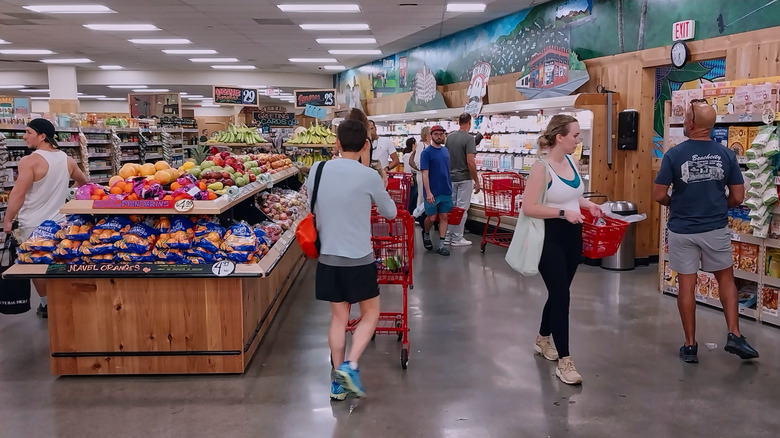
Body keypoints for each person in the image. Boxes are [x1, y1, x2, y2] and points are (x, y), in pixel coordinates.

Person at [653, 100, 759, 364]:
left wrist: (675, 203)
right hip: (715, 228)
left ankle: (690, 346)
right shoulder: (726, 155)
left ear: (690, 124)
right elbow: (737, 196)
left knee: (687, 285)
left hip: (682, 229)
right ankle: (734, 334)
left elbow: (658, 195)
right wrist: (717, 205)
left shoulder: (674, 155)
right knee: (726, 278)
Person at [306, 119, 397, 401]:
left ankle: (336, 383)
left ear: (336, 142)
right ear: (366, 145)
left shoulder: (317, 169)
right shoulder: (368, 175)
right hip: (359, 258)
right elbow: (391, 212)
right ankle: (351, 365)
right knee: (370, 314)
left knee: (338, 318)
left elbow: (313, 202)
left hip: (328, 257)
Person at [522, 114, 603, 385]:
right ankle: (565, 361)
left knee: (560, 293)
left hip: (573, 235)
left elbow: (571, 194)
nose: (578, 140)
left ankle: (543, 339)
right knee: (561, 295)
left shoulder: (571, 161)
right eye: (575, 135)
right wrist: (561, 213)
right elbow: (529, 207)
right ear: (560, 137)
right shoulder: (540, 168)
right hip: (549, 237)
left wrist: (586, 205)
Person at [3, 118, 87, 318]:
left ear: (42, 136)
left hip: (33, 224)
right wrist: (67, 194)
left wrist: (7, 219)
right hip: (60, 223)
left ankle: (46, 304)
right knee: (59, 260)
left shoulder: (29, 160)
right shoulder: (67, 159)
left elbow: (18, 194)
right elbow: (83, 182)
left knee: (36, 265)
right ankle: (64, 299)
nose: (25, 136)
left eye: (28, 132)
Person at [445, 113, 482, 247]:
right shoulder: (469, 139)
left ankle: (448, 236)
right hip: (464, 178)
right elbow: (470, 162)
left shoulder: (449, 138)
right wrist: (476, 181)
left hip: (451, 178)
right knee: (462, 209)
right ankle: (457, 238)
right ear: (469, 122)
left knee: (451, 207)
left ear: (458, 122)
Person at [420, 125, 453, 256]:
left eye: (441, 134)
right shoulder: (426, 153)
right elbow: (424, 173)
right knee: (432, 217)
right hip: (432, 191)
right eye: (436, 134)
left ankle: (441, 245)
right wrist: (428, 192)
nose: (439, 136)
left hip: (446, 189)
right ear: (431, 135)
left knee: (444, 216)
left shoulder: (446, 151)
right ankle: (426, 233)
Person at [409, 126, 431, 222]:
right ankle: (417, 217)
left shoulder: (430, 145)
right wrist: (424, 170)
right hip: (422, 175)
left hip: (429, 176)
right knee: (422, 197)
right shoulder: (422, 145)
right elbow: (417, 161)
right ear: (426, 135)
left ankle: (423, 217)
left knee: (426, 196)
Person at [402, 137, 418, 212]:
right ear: (413, 144)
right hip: (411, 179)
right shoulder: (407, 155)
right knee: (410, 197)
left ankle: (412, 213)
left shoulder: (413, 154)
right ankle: (407, 212)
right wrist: (410, 179)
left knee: (415, 197)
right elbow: (407, 168)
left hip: (416, 177)